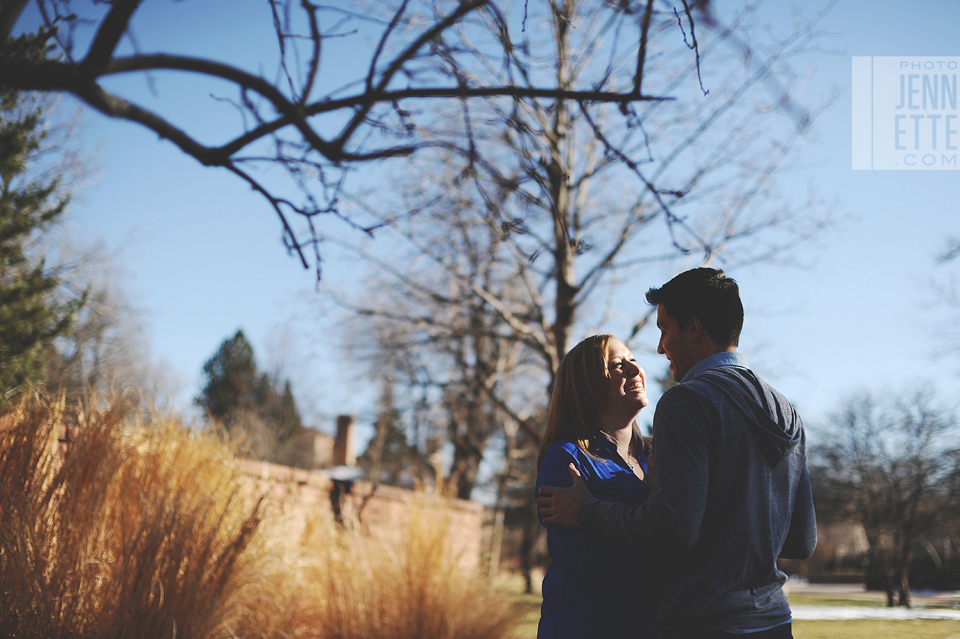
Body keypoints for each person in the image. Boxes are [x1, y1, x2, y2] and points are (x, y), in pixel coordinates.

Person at [537, 268, 817, 639]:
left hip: (705, 623)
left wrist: (587, 510)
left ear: (694, 328)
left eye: (664, 330)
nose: (659, 348)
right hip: (773, 623)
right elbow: (802, 540)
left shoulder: (687, 401)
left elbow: (675, 528)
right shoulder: (786, 411)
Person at [535, 334, 655, 639]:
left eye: (633, 359)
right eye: (617, 364)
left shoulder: (656, 458)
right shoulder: (565, 457)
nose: (633, 368)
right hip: (582, 626)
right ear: (588, 389)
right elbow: (591, 561)